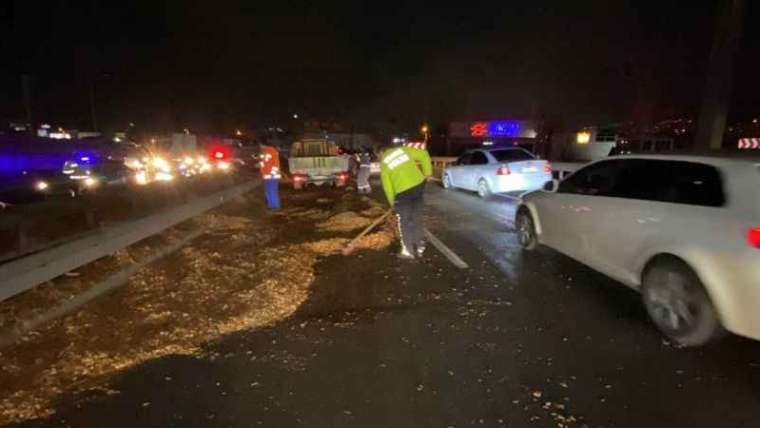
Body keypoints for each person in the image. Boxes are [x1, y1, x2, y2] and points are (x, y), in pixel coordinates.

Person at [380, 143, 432, 259]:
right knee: (416, 218)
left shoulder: (384, 162)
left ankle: (408, 251)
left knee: (404, 221)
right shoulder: (403, 150)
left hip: (402, 192)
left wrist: (392, 202)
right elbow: (424, 154)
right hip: (418, 185)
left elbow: (387, 185)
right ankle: (420, 246)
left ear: (381, 153)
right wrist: (427, 173)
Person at [259, 144, 281, 209]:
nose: (260, 147)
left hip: (272, 176)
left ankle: (275, 207)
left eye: (261, 145)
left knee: (272, 191)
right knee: (268, 192)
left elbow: (275, 164)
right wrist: (260, 165)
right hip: (266, 176)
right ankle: (271, 206)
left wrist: (272, 173)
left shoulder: (272, 151)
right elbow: (264, 163)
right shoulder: (264, 152)